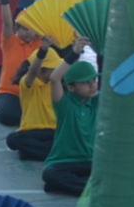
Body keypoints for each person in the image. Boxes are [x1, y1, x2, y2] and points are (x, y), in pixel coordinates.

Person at [42, 51, 98, 195]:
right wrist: (74, 52)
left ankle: (74, 186)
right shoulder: (65, 104)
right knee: (50, 174)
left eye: (94, 80)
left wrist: (102, 52)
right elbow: (54, 78)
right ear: (71, 87)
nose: (92, 85)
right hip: (65, 161)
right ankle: (91, 190)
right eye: (85, 82)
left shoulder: (96, 103)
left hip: (91, 161)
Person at [6, 41, 61, 161]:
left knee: (66, 139)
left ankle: (33, 152)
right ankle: (52, 153)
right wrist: (42, 52)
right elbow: (33, 71)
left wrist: (76, 51)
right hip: (31, 131)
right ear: (42, 70)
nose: (57, 70)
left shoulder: (56, 84)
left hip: (53, 131)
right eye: (54, 68)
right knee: (12, 139)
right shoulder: (28, 84)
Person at [0, 0, 39, 124]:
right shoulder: (11, 42)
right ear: (17, 29)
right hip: (9, 92)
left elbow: (54, 19)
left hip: (33, 92)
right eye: (25, 29)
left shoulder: (40, 43)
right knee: (10, 117)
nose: (29, 33)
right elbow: (7, 22)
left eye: (32, 29)